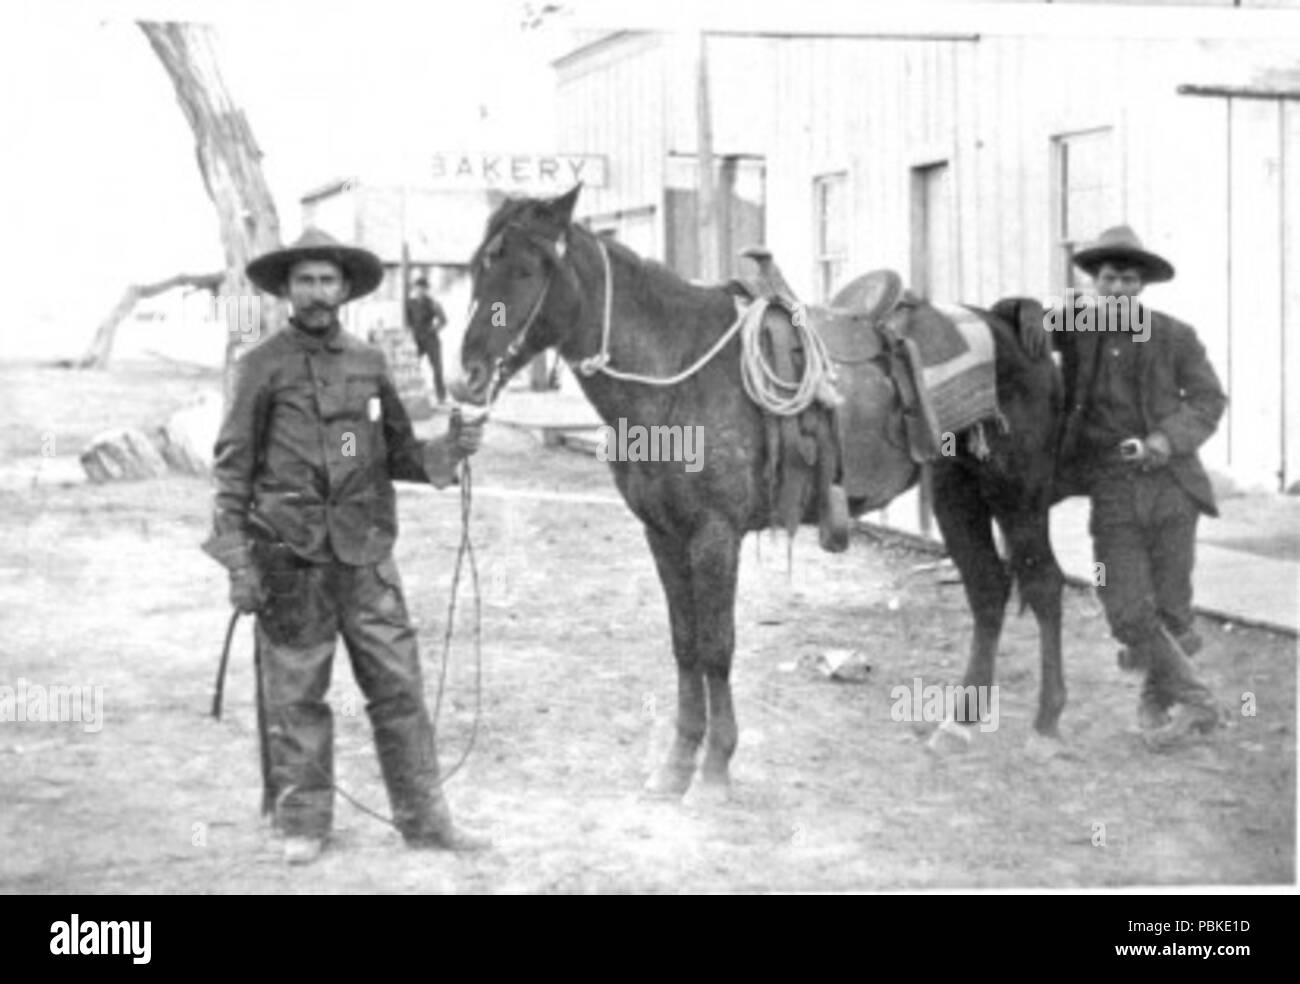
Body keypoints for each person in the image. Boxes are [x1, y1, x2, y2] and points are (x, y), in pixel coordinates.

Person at [201, 228, 489, 864]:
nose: (316, 293)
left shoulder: (368, 362)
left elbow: (401, 455)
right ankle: (303, 821)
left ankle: (425, 818)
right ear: (285, 290)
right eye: (304, 281)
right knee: (297, 695)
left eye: (327, 281)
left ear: (344, 289)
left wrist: (452, 448)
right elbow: (231, 472)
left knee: (400, 690)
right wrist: (238, 564)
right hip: (291, 560)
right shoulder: (261, 365)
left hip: (365, 559)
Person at [1054, 225, 1226, 748]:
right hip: (1111, 490)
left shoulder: (1175, 336)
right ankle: (1200, 702)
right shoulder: (1076, 332)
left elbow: (1208, 401)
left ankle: (1160, 700)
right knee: (1125, 605)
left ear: (1142, 286)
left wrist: (1160, 442)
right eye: (1109, 279)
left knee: (1173, 609)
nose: (1119, 289)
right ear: (1094, 284)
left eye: (1129, 280)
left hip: (1173, 487)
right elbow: (1023, 336)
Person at [406, 275, 448, 404]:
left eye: (423, 288)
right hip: (416, 339)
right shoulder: (410, 303)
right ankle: (413, 397)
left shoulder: (433, 303)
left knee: (437, 368)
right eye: (418, 288)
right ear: (414, 289)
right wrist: (409, 334)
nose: (420, 291)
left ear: (426, 289)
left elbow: (443, 320)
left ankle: (441, 396)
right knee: (411, 368)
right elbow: (407, 322)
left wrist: (433, 329)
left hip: (430, 339)